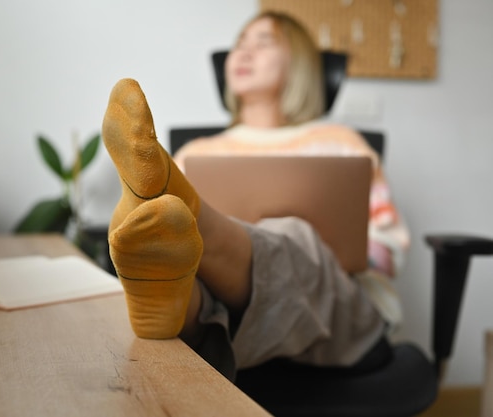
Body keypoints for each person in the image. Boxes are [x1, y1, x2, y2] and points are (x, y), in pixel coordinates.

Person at [101, 11, 409, 381]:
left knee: (292, 235)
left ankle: (200, 253)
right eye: (239, 45)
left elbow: (389, 248)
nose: (244, 53)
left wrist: (324, 254)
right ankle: (176, 302)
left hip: (339, 317)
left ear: (301, 64)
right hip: (234, 309)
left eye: (263, 43)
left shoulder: (341, 144)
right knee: (185, 267)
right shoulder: (199, 151)